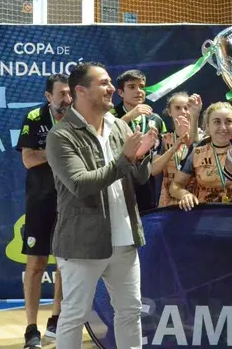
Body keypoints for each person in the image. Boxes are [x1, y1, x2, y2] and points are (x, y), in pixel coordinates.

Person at [45, 62, 157, 349]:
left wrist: (142, 156)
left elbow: (140, 178)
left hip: (125, 239)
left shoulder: (119, 125)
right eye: (104, 83)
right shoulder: (61, 135)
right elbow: (81, 184)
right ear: (81, 91)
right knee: (74, 314)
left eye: (110, 83)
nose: (111, 89)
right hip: (82, 242)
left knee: (130, 312)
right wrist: (125, 160)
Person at [15, 74, 71, 348]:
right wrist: (58, 152)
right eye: (61, 94)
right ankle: (31, 329)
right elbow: (28, 159)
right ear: (49, 96)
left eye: (69, 93)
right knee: (36, 265)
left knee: (64, 263)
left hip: (70, 202)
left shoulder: (77, 118)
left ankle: (56, 319)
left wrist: (47, 153)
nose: (66, 99)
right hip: (40, 200)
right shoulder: (35, 117)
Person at [169, 102, 232, 208]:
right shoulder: (196, 150)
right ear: (208, 126)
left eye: (228, 122)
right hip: (206, 215)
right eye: (217, 122)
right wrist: (185, 195)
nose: (223, 127)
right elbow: (175, 185)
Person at [110, 69, 167, 211]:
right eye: (132, 87)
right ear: (120, 92)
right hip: (118, 184)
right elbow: (105, 137)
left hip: (147, 187)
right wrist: (130, 116)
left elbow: (159, 154)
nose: (139, 91)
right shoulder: (110, 115)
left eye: (142, 87)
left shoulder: (156, 119)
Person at [153, 92, 202, 207]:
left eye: (187, 108)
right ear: (170, 112)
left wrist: (193, 121)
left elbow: (195, 147)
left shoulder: (203, 136)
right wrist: (173, 148)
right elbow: (154, 170)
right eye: (178, 108)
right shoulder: (163, 139)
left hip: (194, 199)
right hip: (168, 202)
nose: (183, 111)